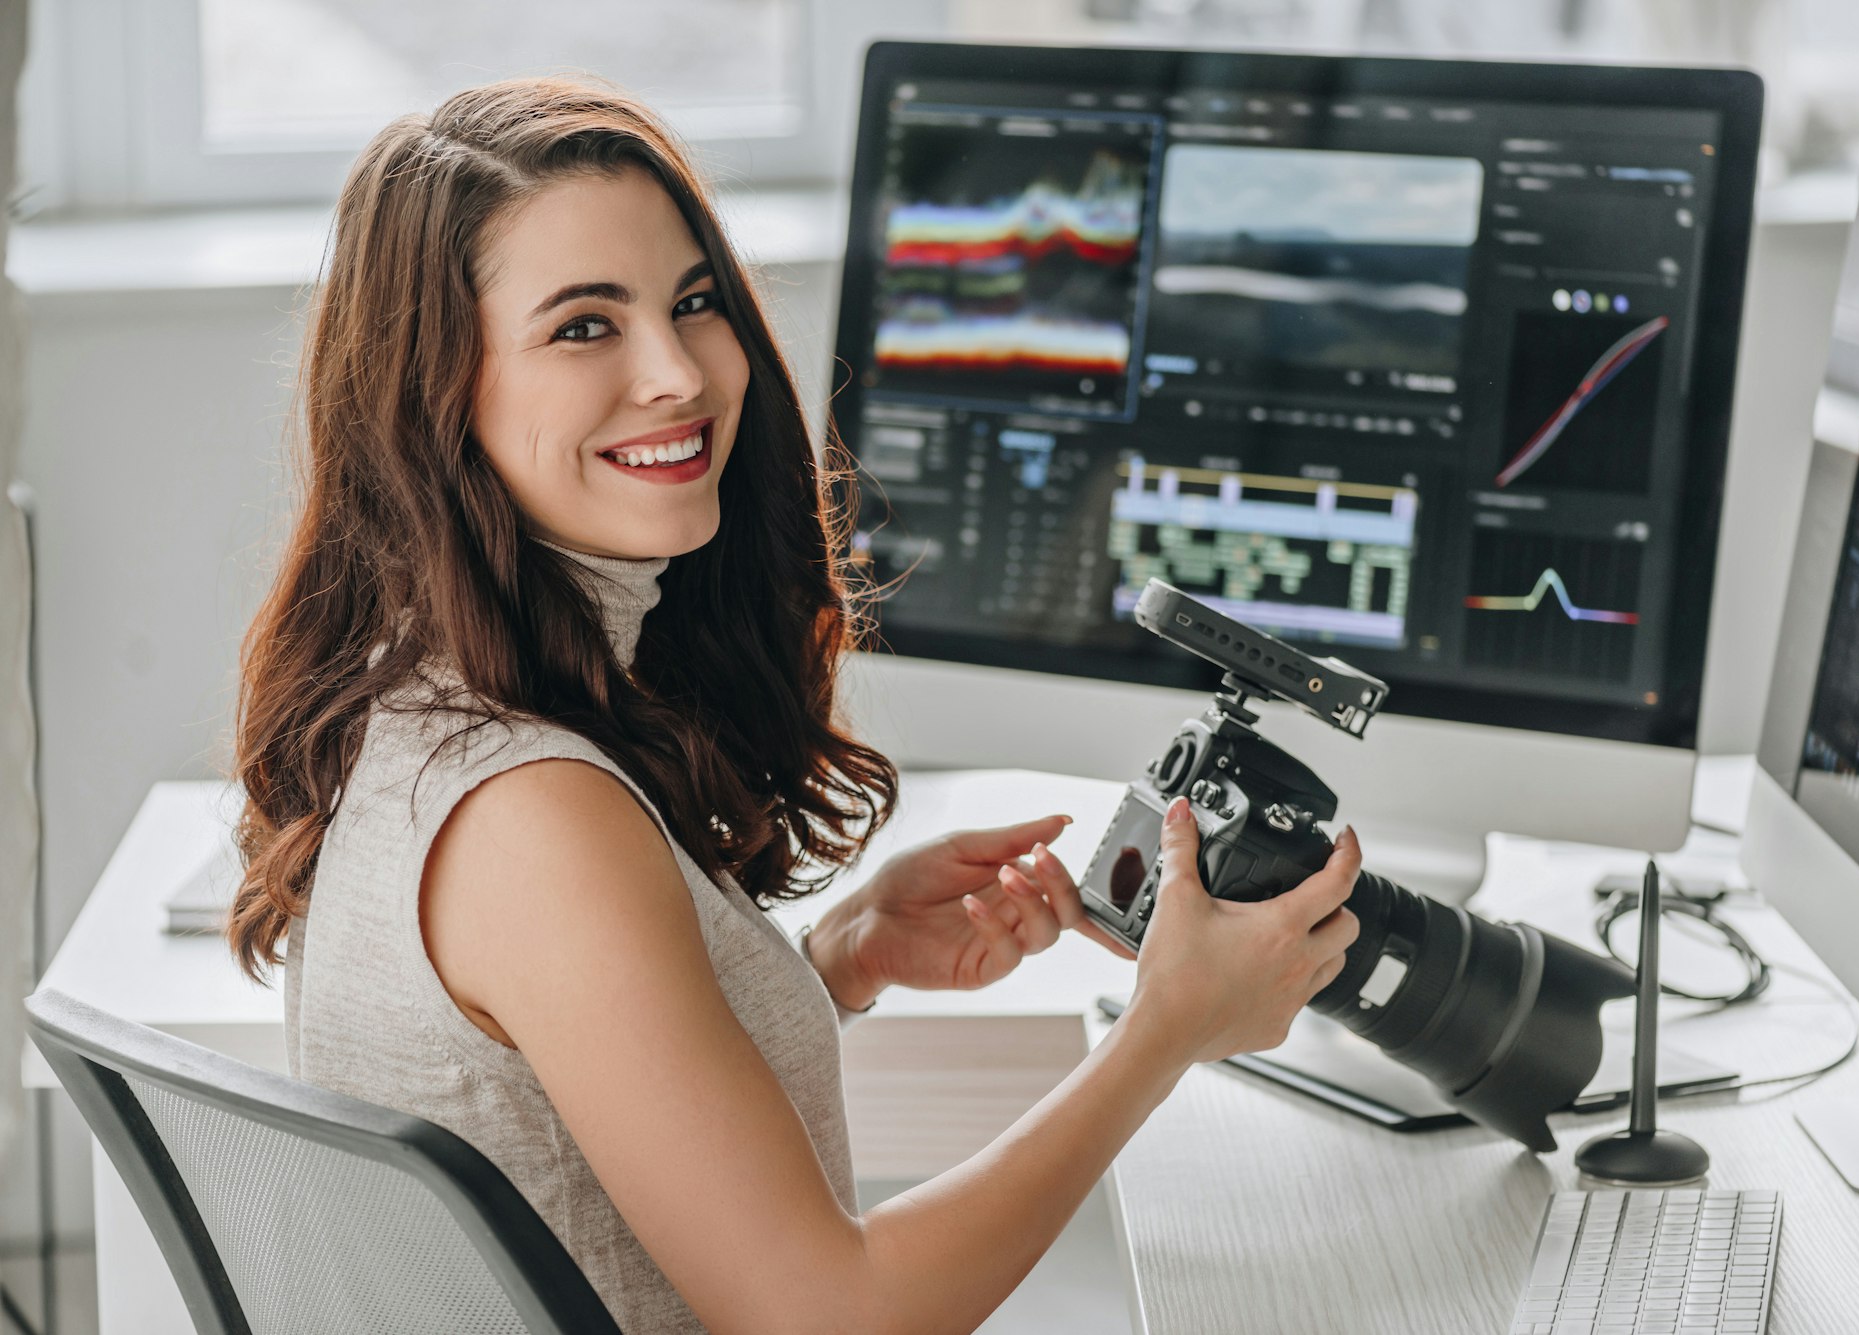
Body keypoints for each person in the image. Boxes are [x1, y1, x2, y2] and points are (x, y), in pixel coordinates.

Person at [228, 76, 1362, 1334]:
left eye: (692, 302)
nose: (678, 374)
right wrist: (1163, 1033)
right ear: (431, 396)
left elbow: (566, 1105)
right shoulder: (530, 814)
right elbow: (835, 1316)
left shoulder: (434, 701)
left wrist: (833, 961)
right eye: (582, 327)